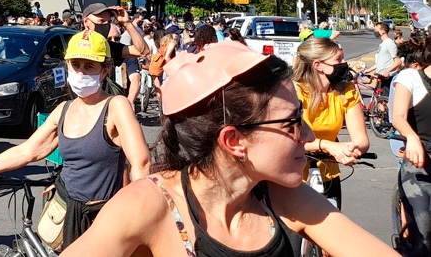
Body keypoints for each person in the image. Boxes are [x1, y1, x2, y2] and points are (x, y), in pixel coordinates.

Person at [62, 40, 396, 257]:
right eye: (292, 122)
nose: (308, 137)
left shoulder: (286, 199)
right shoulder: (150, 205)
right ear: (234, 141)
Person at [0, 30, 151, 247]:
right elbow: (27, 151)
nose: (81, 72)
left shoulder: (116, 106)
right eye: (76, 65)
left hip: (102, 217)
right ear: (67, 66)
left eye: (90, 66)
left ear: (104, 71)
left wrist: (135, 214)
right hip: (64, 208)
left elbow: (141, 163)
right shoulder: (63, 110)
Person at [292, 37, 369, 209]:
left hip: (328, 173)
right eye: (338, 60)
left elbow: (362, 140)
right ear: (318, 65)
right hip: (292, 175)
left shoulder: (346, 91)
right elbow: (289, 141)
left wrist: (351, 150)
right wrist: (327, 145)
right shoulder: (293, 92)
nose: (345, 63)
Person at [389, 40, 431, 255]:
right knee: (423, 237)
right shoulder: (411, 77)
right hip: (421, 163)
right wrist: (412, 138)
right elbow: (399, 116)